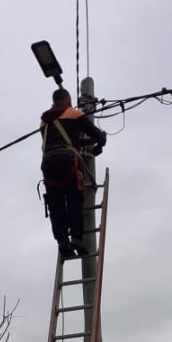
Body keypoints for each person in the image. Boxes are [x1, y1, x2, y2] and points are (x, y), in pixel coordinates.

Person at [40, 89, 107, 259]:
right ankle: (77, 238)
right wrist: (100, 140)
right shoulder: (74, 114)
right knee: (74, 199)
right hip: (67, 161)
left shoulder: (44, 121)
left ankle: (62, 242)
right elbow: (96, 135)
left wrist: (84, 142)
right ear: (67, 99)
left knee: (56, 204)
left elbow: (61, 138)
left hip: (48, 163)